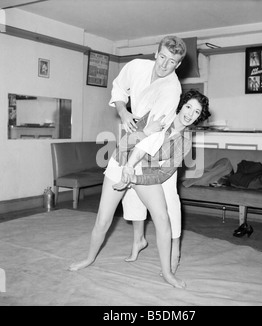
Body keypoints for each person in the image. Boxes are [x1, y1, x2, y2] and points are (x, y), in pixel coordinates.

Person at [68, 90, 210, 289]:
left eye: (196, 112)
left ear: (199, 117)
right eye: (188, 107)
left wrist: (135, 178)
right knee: (103, 219)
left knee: (162, 219)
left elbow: (163, 174)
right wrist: (146, 132)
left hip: (144, 171)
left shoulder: (185, 142)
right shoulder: (158, 114)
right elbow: (124, 143)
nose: (190, 114)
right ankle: (89, 258)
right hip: (121, 163)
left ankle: (167, 273)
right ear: (181, 105)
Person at [109, 35, 187, 272]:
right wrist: (123, 111)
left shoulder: (173, 90)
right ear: (156, 53)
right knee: (131, 192)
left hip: (159, 143)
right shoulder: (135, 66)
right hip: (138, 135)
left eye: (171, 61)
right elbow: (119, 88)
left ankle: (175, 248)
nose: (164, 65)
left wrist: (131, 162)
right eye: (162, 57)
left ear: (178, 65)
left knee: (168, 198)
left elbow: (154, 134)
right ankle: (138, 240)